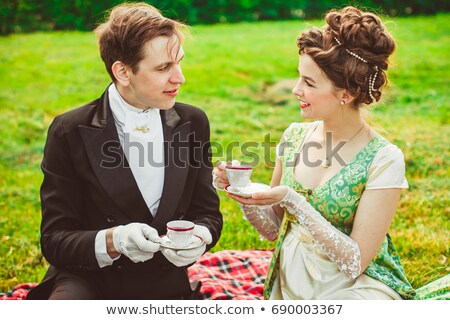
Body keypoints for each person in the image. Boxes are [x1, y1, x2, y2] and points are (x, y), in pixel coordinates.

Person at [214, 6, 420, 300]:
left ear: (345, 93)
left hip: (356, 288)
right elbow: (273, 229)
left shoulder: (384, 158)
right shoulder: (294, 136)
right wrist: (240, 192)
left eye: (309, 83)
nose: (296, 89)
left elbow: (355, 262)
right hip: (293, 280)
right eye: (299, 77)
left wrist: (294, 201)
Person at [27, 2, 222, 300]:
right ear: (122, 71)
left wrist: (201, 236)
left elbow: (207, 213)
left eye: (179, 62)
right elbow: (54, 240)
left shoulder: (193, 122)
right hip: (88, 279)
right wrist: (112, 239)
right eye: (163, 68)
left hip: (163, 280)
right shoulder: (69, 129)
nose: (180, 77)